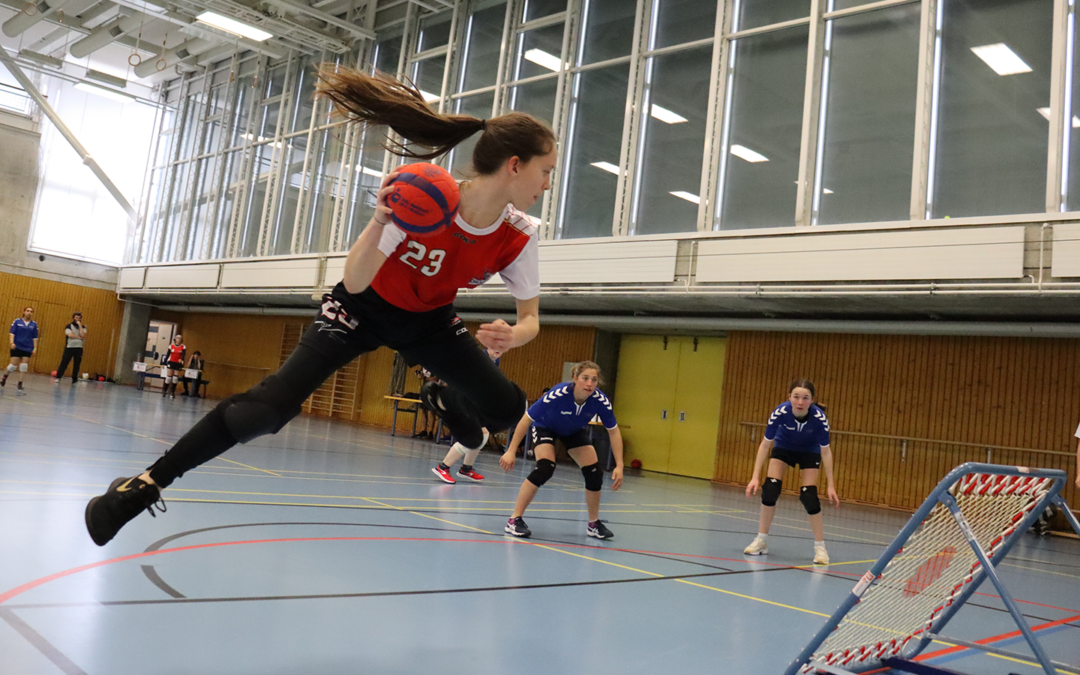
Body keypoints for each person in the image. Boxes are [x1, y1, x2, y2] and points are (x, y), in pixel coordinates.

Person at [83, 66, 557, 546]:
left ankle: (444, 396)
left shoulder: (519, 234)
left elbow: (531, 318)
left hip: (429, 323)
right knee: (264, 412)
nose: (547, 184)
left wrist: (514, 335)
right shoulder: (425, 196)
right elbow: (354, 278)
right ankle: (141, 487)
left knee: (506, 409)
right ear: (515, 165)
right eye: (546, 171)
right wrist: (378, 220)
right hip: (360, 307)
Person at [498, 361, 624, 540]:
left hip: (572, 431)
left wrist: (619, 465)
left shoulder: (600, 401)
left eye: (594, 380)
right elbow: (526, 419)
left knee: (594, 473)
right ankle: (514, 519)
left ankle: (593, 524)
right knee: (545, 468)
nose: (589, 384)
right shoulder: (558, 394)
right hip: (545, 426)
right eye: (585, 378)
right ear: (575, 378)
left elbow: (613, 431)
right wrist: (510, 450)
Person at [744, 379, 838, 564]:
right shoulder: (781, 412)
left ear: (812, 400)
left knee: (809, 496)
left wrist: (831, 485)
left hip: (809, 450)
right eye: (796, 397)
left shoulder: (819, 418)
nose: (800, 402)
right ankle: (761, 540)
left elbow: (826, 452)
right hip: (784, 446)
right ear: (789, 397)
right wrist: (754, 477)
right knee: (770, 489)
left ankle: (820, 549)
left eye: (805, 398)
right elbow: (765, 446)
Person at [431, 347, 502, 483]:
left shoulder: (495, 362)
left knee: (482, 434)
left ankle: (466, 469)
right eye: (494, 346)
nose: (498, 349)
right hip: (459, 399)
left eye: (501, 347)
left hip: (472, 401)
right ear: (487, 345)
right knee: (479, 434)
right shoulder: (477, 359)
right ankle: (443, 467)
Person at [2, 307, 38, 395]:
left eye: (31, 312)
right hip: (17, 346)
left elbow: (35, 337)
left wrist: (35, 348)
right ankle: (4, 377)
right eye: (28, 311)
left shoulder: (34, 324)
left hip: (28, 347)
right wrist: (11, 343)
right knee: (13, 366)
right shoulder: (17, 322)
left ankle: (20, 383)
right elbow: (12, 333)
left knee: (24, 366)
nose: (29, 313)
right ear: (24, 312)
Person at [54, 312, 87, 384]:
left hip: (79, 348)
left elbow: (83, 335)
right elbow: (70, 335)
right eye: (76, 318)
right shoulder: (69, 326)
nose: (77, 319)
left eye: (79, 318)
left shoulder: (83, 327)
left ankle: (74, 379)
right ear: (73, 318)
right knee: (64, 363)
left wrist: (80, 326)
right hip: (69, 347)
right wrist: (79, 337)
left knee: (77, 364)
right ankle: (58, 377)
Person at [162, 334, 186, 399]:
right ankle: (164, 391)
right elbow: (168, 354)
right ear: (175, 339)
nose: (178, 339)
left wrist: (182, 360)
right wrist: (164, 362)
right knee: (168, 377)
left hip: (177, 363)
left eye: (180, 338)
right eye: (177, 338)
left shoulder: (183, 347)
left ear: (181, 340)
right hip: (171, 362)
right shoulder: (171, 346)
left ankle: (172, 392)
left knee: (175, 378)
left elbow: (183, 355)